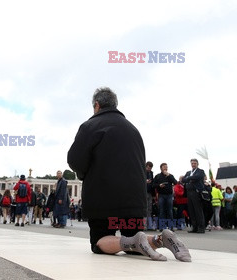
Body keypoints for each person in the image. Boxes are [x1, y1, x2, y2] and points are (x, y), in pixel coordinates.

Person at [67, 87, 190, 262]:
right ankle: (160, 239)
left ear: (96, 105)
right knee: (133, 243)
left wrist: (83, 174)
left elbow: (75, 160)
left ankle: (138, 240)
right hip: (134, 202)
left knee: (99, 242)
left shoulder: (90, 126)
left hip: (104, 201)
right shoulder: (133, 129)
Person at [180, 159, 206, 234]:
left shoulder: (200, 171)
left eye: (194, 163)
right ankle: (194, 227)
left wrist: (189, 178)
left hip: (196, 192)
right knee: (191, 210)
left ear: (197, 164)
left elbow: (198, 177)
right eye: (192, 163)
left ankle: (201, 227)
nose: (193, 164)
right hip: (189, 192)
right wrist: (189, 178)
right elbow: (183, 180)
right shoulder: (188, 172)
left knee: (198, 210)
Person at [153, 163, 177, 231]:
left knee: (170, 210)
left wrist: (169, 175)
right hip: (161, 195)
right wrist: (159, 185)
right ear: (161, 168)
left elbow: (175, 182)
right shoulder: (157, 176)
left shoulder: (170, 175)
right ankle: (162, 227)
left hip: (169, 195)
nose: (165, 168)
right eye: (164, 167)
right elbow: (153, 185)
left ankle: (170, 227)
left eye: (166, 167)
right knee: (161, 211)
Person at [144, 161, 156, 230]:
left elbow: (153, 185)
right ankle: (144, 225)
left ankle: (149, 225)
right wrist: (145, 181)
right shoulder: (142, 172)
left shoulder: (151, 173)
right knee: (145, 209)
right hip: (144, 193)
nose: (149, 169)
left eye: (150, 168)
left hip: (150, 193)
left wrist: (154, 194)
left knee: (149, 209)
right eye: (148, 167)